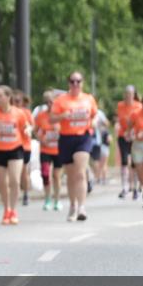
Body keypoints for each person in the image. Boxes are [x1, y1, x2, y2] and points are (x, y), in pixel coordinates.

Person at [50, 71, 98, 221]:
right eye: (72, 81)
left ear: (82, 83)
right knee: (70, 176)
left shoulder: (88, 99)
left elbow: (95, 114)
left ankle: (82, 207)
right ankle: (72, 205)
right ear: (68, 83)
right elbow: (51, 119)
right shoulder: (61, 100)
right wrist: (61, 116)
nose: (75, 84)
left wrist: (94, 122)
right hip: (66, 138)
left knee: (80, 172)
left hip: (83, 136)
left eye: (78, 81)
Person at [0, 85, 31, 225]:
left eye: (0, 95)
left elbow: (25, 128)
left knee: (14, 180)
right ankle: (6, 209)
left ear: (8, 97)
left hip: (16, 149)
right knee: (3, 183)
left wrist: (28, 131)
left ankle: (13, 210)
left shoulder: (18, 113)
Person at [34, 90, 62, 212]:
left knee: (56, 175)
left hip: (58, 149)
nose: (50, 104)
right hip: (45, 149)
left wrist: (59, 133)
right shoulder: (41, 116)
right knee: (45, 174)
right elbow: (35, 130)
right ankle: (47, 199)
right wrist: (41, 138)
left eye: (52, 102)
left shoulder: (60, 116)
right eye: (47, 102)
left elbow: (68, 130)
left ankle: (57, 200)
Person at [115, 85, 142, 199]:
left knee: (134, 162)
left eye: (130, 94)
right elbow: (120, 120)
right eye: (126, 93)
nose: (128, 96)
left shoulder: (138, 106)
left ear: (133, 94)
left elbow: (140, 122)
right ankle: (124, 187)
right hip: (123, 136)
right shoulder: (120, 105)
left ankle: (135, 187)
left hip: (134, 136)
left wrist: (133, 133)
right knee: (124, 161)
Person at [13, 91, 35, 204]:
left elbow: (32, 126)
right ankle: (13, 194)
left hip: (24, 146)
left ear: (22, 102)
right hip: (11, 146)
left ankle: (26, 194)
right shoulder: (9, 112)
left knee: (23, 171)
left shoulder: (25, 112)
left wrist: (28, 130)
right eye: (13, 101)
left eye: (18, 101)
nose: (16, 103)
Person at [91, 102, 110, 188]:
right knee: (96, 160)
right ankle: (97, 177)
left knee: (96, 160)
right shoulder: (98, 113)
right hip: (94, 140)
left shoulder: (98, 113)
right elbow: (106, 123)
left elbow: (106, 123)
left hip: (95, 140)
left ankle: (97, 177)